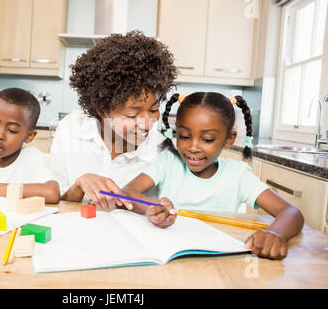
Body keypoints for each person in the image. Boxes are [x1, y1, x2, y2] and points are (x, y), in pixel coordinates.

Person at [122, 92, 304, 260]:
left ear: (229, 139)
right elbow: (127, 192)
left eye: (207, 139)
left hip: (220, 259)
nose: (193, 147)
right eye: (184, 136)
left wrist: (275, 234)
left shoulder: (237, 175)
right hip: (171, 254)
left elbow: (291, 212)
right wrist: (149, 207)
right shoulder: (168, 161)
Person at [49, 30, 178, 209]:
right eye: (132, 115)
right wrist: (80, 183)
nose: (147, 123)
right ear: (101, 110)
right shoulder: (71, 128)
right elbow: (56, 201)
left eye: (154, 109)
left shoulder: (161, 150)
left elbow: (164, 208)